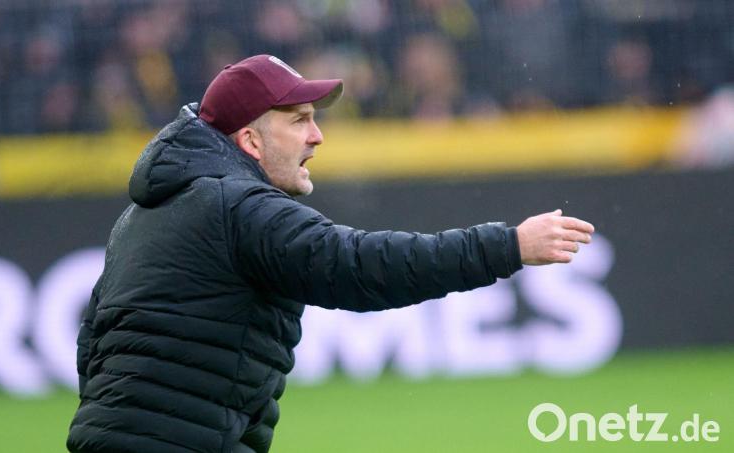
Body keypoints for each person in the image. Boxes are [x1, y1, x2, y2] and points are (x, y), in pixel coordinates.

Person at [66, 54, 594, 453]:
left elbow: (93, 342)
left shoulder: (150, 211)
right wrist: (507, 246)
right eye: (298, 120)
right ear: (250, 140)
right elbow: (357, 267)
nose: (317, 136)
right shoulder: (238, 205)